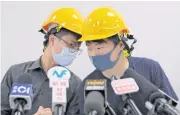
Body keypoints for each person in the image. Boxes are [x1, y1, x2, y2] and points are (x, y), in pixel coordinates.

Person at [78, 7, 179, 115]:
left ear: (121, 45)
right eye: (89, 48)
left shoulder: (151, 69)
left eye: (99, 48)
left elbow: (170, 108)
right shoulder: (88, 84)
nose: (93, 54)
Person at [1, 8, 84, 115]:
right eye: (71, 45)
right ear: (52, 40)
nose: (74, 51)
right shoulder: (15, 73)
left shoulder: (75, 85)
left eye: (77, 48)